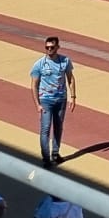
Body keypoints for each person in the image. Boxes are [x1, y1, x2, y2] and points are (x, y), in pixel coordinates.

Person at [30, 36, 75, 165]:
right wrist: (37, 104)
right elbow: (34, 85)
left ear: (57, 47)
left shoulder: (65, 61)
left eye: (52, 47)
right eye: (47, 47)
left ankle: (55, 153)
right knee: (45, 128)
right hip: (46, 100)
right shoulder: (39, 64)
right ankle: (46, 158)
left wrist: (73, 97)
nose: (49, 50)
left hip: (61, 99)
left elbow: (71, 79)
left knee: (58, 127)